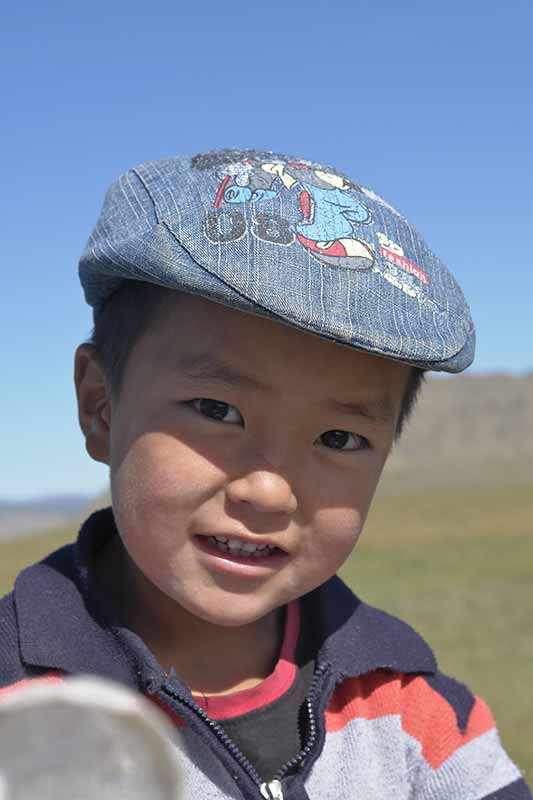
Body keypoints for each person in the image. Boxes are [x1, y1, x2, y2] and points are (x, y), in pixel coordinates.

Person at [0, 149, 529, 800]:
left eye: (339, 438)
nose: (269, 489)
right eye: (217, 410)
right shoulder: (18, 713)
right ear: (100, 406)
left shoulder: (414, 715)